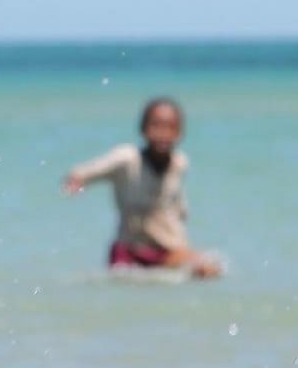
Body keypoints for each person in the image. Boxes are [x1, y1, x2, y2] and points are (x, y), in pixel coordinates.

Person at [62, 97, 222, 279]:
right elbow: (84, 172)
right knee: (122, 283)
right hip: (129, 249)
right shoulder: (126, 159)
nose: (163, 133)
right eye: (156, 125)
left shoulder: (180, 163)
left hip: (167, 248)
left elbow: (179, 204)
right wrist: (76, 181)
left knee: (208, 269)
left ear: (180, 133)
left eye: (170, 127)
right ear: (143, 129)